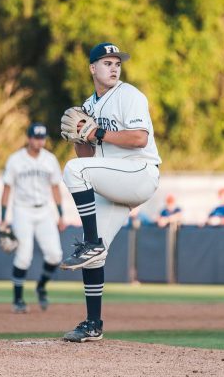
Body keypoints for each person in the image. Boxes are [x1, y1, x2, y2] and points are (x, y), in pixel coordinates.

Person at [58, 42, 161, 342]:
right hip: (113, 181)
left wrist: (98, 132)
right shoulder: (88, 106)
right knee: (94, 258)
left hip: (139, 172)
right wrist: (78, 137)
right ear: (92, 68)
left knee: (73, 171)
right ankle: (93, 324)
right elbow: (87, 157)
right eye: (107, 63)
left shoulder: (129, 95)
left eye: (117, 63)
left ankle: (91, 242)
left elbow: (140, 138)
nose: (114, 67)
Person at [0, 122, 66, 314]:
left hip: (44, 211)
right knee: (24, 256)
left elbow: (55, 188)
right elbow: (7, 189)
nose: (39, 142)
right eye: (36, 138)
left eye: (42, 138)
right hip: (22, 211)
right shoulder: (15, 160)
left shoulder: (50, 159)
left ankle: (41, 286)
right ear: (29, 139)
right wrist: (3, 218)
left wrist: (61, 215)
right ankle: (18, 300)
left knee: (55, 255)